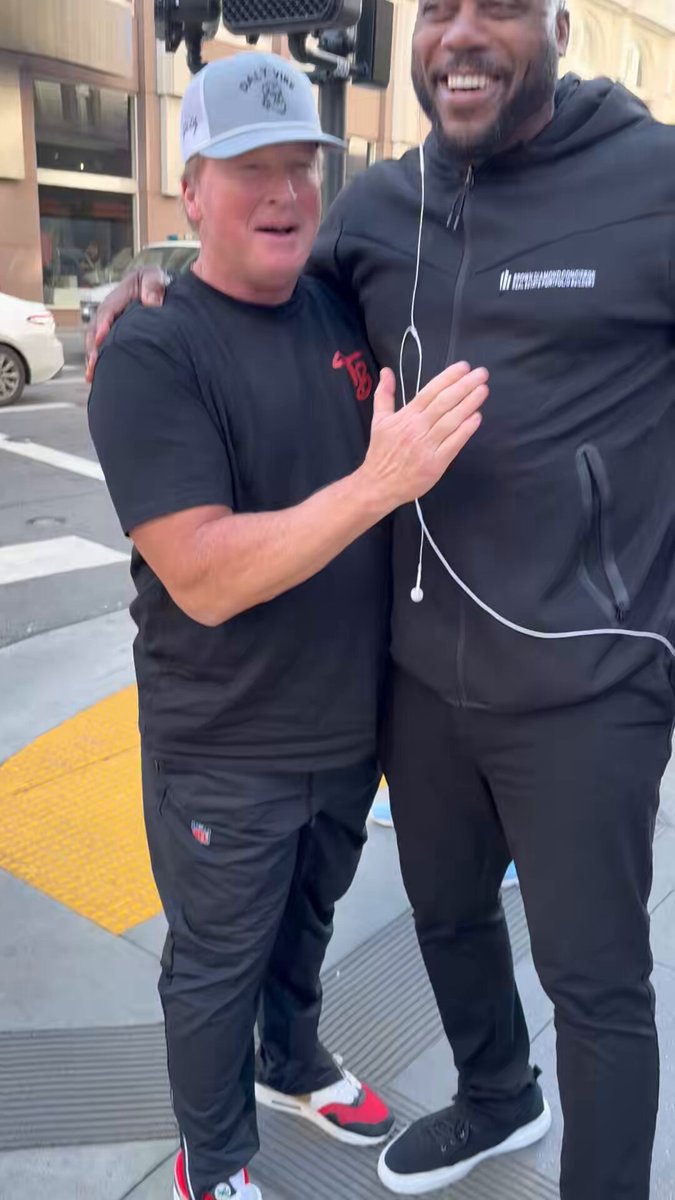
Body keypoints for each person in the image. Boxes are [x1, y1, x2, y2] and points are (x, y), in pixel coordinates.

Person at [87, 3, 675, 1196]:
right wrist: (145, 286)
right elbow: (204, 550)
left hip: (558, 691)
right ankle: (389, 1122)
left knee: (588, 984)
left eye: (496, 5)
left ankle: (543, 1155)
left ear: (560, 23)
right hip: (336, 712)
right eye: (438, 6)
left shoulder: (642, 187)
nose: (461, 33)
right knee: (354, 937)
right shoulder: (335, 235)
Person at [87, 52, 487, 1200]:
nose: (283, 193)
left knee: (305, 929)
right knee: (215, 968)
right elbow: (204, 575)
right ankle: (213, 1164)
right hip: (225, 746)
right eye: (248, 168)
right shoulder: (151, 351)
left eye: (301, 166)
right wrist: (378, 485)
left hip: (343, 732)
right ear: (190, 190)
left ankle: (293, 1059)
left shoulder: (337, 299)